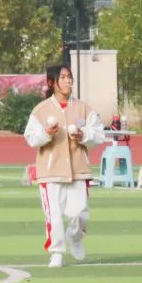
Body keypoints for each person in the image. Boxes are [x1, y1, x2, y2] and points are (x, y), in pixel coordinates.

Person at [23, 64, 105, 268]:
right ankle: (57, 253)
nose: (69, 81)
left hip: (79, 170)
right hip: (50, 172)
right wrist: (47, 134)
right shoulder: (41, 111)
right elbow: (32, 138)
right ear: (52, 83)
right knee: (55, 215)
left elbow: (98, 134)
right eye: (64, 77)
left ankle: (75, 237)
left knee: (80, 213)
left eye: (70, 77)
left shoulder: (83, 108)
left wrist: (83, 135)